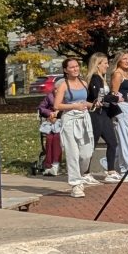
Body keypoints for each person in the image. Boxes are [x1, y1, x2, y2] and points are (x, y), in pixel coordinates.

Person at [52, 58, 99, 197]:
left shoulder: (84, 83)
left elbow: (85, 101)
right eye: (72, 67)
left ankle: (81, 174)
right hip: (69, 119)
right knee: (72, 152)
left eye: (77, 66)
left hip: (84, 118)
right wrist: (74, 106)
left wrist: (93, 105)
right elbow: (57, 105)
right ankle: (76, 184)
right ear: (66, 70)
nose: (75, 69)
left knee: (86, 153)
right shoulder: (63, 85)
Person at [86, 53, 121, 181]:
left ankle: (110, 171)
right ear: (98, 64)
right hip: (96, 115)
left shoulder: (102, 78)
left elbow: (104, 97)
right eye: (105, 63)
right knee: (92, 144)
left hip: (105, 114)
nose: (107, 65)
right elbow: (98, 97)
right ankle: (85, 172)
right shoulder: (95, 79)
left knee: (112, 142)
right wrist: (116, 97)